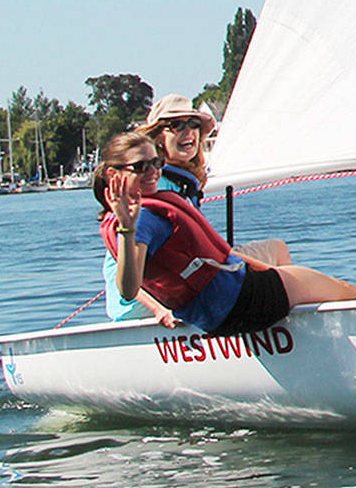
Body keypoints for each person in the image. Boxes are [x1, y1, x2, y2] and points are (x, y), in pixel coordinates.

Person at [97, 132, 356, 335]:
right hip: (247, 302)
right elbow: (129, 289)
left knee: (305, 280)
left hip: (219, 316)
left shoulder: (138, 215)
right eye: (140, 167)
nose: (152, 172)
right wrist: (128, 228)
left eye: (156, 163)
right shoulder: (141, 218)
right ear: (114, 174)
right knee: (345, 291)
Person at [102, 95, 287, 323]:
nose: (188, 131)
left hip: (171, 290)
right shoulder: (154, 187)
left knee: (272, 267)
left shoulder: (179, 183)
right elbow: (127, 263)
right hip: (145, 301)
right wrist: (159, 309)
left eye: (194, 125)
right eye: (176, 125)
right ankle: (284, 322)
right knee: (278, 254)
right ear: (158, 138)